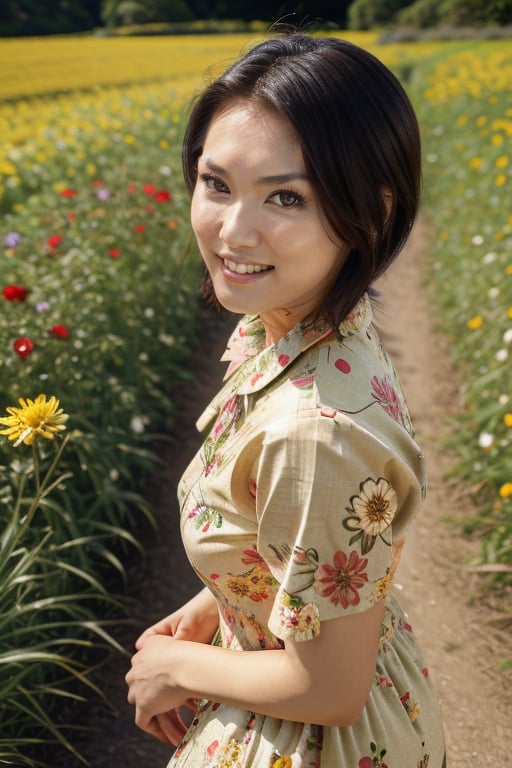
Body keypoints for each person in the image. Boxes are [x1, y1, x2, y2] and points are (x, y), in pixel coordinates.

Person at [125, 32, 446, 767]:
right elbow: (302, 532)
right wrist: (227, 598)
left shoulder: (312, 429)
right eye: (216, 184)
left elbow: (328, 685)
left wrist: (170, 669)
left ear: (371, 210)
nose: (234, 231)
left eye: (286, 196)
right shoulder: (319, 326)